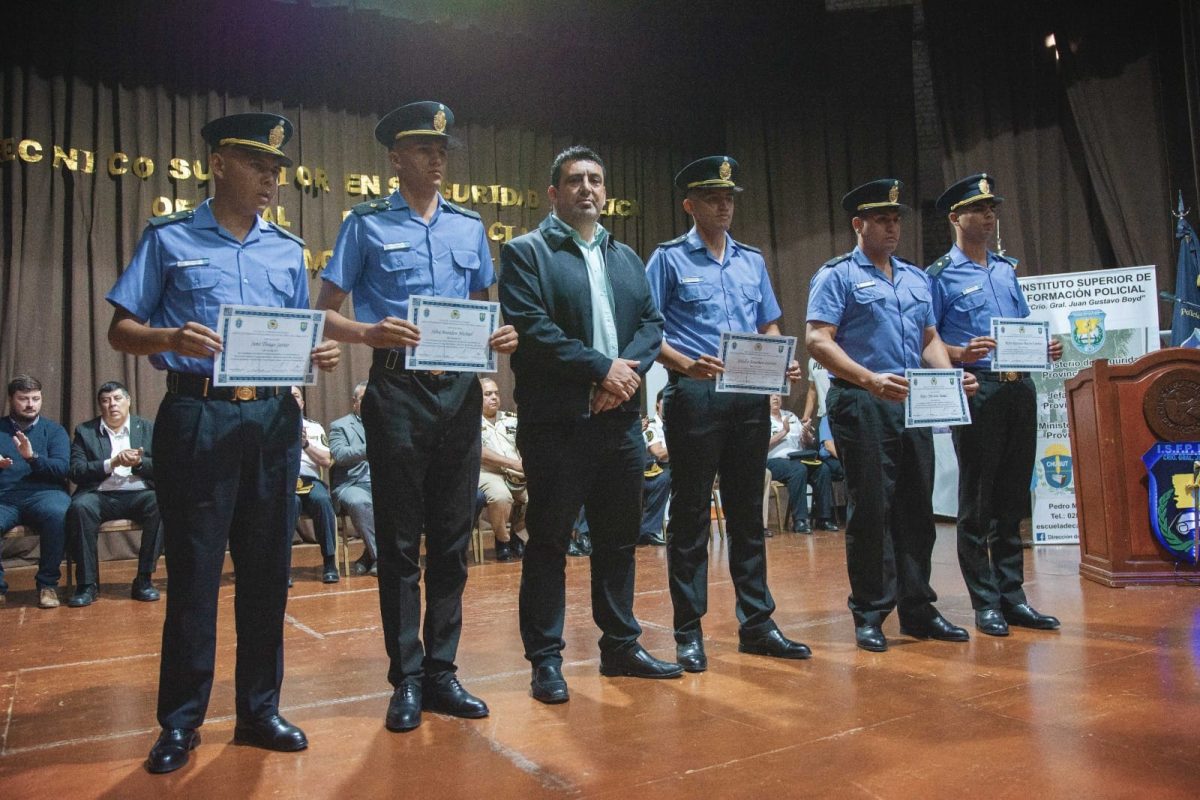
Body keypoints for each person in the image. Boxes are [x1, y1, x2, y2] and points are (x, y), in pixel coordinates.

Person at [106, 113, 340, 774]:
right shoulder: (171, 238)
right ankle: (180, 722)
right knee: (196, 577)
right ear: (217, 164)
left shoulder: (286, 250)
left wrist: (313, 354)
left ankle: (260, 710)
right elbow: (122, 330)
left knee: (269, 575)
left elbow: (293, 335)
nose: (269, 178)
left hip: (271, 422)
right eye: (257, 164)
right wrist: (170, 340)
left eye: (276, 169)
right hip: (197, 418)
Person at [316, 101, 517, 733]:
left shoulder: (468, 225)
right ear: (396, 158)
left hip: (458, 395)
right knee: (401, 541)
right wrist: (366, 331)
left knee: (454, 539)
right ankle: (405, 677)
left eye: (442, 151)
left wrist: (497, 341)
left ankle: (442, 670)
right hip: (397, 390)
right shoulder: (365, 223)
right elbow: (323, 313)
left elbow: (484, 309)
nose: (437, 159)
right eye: (424, 150)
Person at [499, 145, 682, 705]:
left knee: (618, 541)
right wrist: (604, 371)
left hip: (620, 424)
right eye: (575, 180)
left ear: (606, 192)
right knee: (550, 541)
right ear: (553, 194)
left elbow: (652, 325)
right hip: (557, 423)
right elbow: (532, 328)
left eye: (596, 180)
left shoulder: (626, 256)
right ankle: (546, 660)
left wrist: (621, 378)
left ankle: (620, 645)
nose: (587, 188)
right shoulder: (525, 253)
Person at [645, 155, 809, 674]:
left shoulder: (751, 260)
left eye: (730, 197)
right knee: (691, 516)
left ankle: (757, 623)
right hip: (694, 397)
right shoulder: (668, 259)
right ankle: (688, 630)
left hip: (749, 398)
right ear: (690, 205)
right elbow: (649, 331)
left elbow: (768, 323)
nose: (725, 205)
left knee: (746, 515)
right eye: (714, 197)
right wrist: (683, 364)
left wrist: (782, 359)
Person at [805, 178, 977, 653]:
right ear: (859, 224)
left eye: (896, 218)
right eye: (882, 218)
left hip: (915, 402)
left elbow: (929, 340)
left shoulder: (916, 277)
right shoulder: (836, 275)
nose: (892, 226)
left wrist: (951, 379)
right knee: (872, 511)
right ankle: (870, 611)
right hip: (862, 401)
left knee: (917, 508)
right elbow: (819, 341)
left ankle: (918, 608)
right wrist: (869, 380)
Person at [928, 173, 1063, 636]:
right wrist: (960, 356)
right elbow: (927, 340)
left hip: (1019, 389)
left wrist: (1044, 346)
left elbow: (1021, 325)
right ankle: (984, 601)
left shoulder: (1006, 270)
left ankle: (1013, 597)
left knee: (1011, 500)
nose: (989, 217)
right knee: (978, 501)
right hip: (979, 391)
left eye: (992, 209)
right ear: (955, 218)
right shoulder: (939, 276)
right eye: (979, 209)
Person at [65, 381, 163, 607]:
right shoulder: (85, 431)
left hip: (139, 493)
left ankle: (144, 580)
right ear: (100, 405)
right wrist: (111, 463)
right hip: (100, 495)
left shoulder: (147, 428)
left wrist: (139, 463)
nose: (112, 405)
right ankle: (87, 585)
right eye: (106, 401)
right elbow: (76, 472)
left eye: (118, 399)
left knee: (161, 503)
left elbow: (164, 467)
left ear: (128, 401)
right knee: (80, 508)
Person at [0, 375, 71, 608]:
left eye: (35, 398)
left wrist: (33, 458)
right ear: (11, 399)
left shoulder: (53, 430)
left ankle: (47, 585)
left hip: (45, 494)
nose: (30, 404)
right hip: (5, 497)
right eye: (23, 399)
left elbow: (63, 468)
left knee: (58, 513)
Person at [765, 394, 836, 533]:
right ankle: (800, 520)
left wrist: (807, 436)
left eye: (778, 395)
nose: (776, 398)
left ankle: (824, 518)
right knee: (799, 470)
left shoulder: (790, 416)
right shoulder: (764, 419)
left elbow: (806, 442)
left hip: (798, 457)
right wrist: (784, 432)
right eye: (772, 395)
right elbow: (761, 445)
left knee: (822, 469)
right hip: (774, 460)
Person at [290, 386, 339, 584]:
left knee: (322, 500)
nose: (293, 400)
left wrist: (306, 445)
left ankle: (329, 562)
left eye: (296, 396)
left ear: (302, 403)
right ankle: (283, 566)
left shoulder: (314, 428)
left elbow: (327, 461)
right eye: (289, 396)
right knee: (288, 504)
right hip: (286, 481)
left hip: (310, 480)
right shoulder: (272, 427)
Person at [329, 380, 377, 576]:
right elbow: (339, 454)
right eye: (365, 399)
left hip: (383, 482)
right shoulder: (340, 426)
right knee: (360, 502)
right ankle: (384, 558)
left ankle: (369, 556)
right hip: (352, 484)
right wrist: (371, 448)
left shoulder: (386, 422)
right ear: (354, 402)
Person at [479, 377, 527, 561]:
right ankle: (502, 540)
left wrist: (524, 461)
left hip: (517, 471)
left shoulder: (511, 419)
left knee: (538, 495)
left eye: (496, 393)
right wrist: (510, 463)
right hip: (488, 472)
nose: (494, 397)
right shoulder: (470, 422)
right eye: (488, 394)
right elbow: (479, 452)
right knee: (501, 496)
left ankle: (519, 536)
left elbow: (526, 442)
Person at [639, 393, 670, 546]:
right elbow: (658, 453)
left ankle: (649, 531)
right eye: (666, 402)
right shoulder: (652, 425)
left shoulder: (674, 425)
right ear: (658, 404)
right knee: (665, 478)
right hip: (651, 469)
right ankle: (647, 531)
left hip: (668, 467)